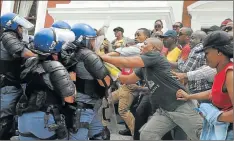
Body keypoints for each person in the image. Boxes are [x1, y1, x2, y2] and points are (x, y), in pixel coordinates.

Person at [99, 37, 203, 140]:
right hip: (165, 110)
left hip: (180, 105)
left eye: (145, 44)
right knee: (147, 135)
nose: (141, 46)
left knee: (201, 135)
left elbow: (126, 62)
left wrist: (102, 57)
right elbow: (128, 80)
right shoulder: (144, 67)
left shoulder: (156, 56)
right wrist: (108, 71)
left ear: (154, 48)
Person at [16, 27, 77, 140]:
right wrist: (72, 81)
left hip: (23, 118)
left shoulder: (29, 62)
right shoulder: (56, 66)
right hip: (45, 119)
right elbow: (70, 99)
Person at [176, 31, 233, 140]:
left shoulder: (230, 74)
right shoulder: (221, 72)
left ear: (218, 52)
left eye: (206, 53)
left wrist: (216, 116)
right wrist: (189, 96)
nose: (204, 58)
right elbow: (214, 92)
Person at [60, 23, 111, 140]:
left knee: (99, 135)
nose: (94, 43)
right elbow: (105, 82)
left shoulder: (68, 52)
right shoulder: (88, 55)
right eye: (91, 40)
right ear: (83, 40)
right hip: (84, 106)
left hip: (83, 105)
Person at [0, 12, 36, 139]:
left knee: (10, 116)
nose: (22, 30)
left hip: (12, 83)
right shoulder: (8, 36)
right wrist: (38, 57)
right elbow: (21, 51)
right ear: (13, 26)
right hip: (7, 85)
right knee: (5, 118)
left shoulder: (13, 37)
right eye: (20, 27)